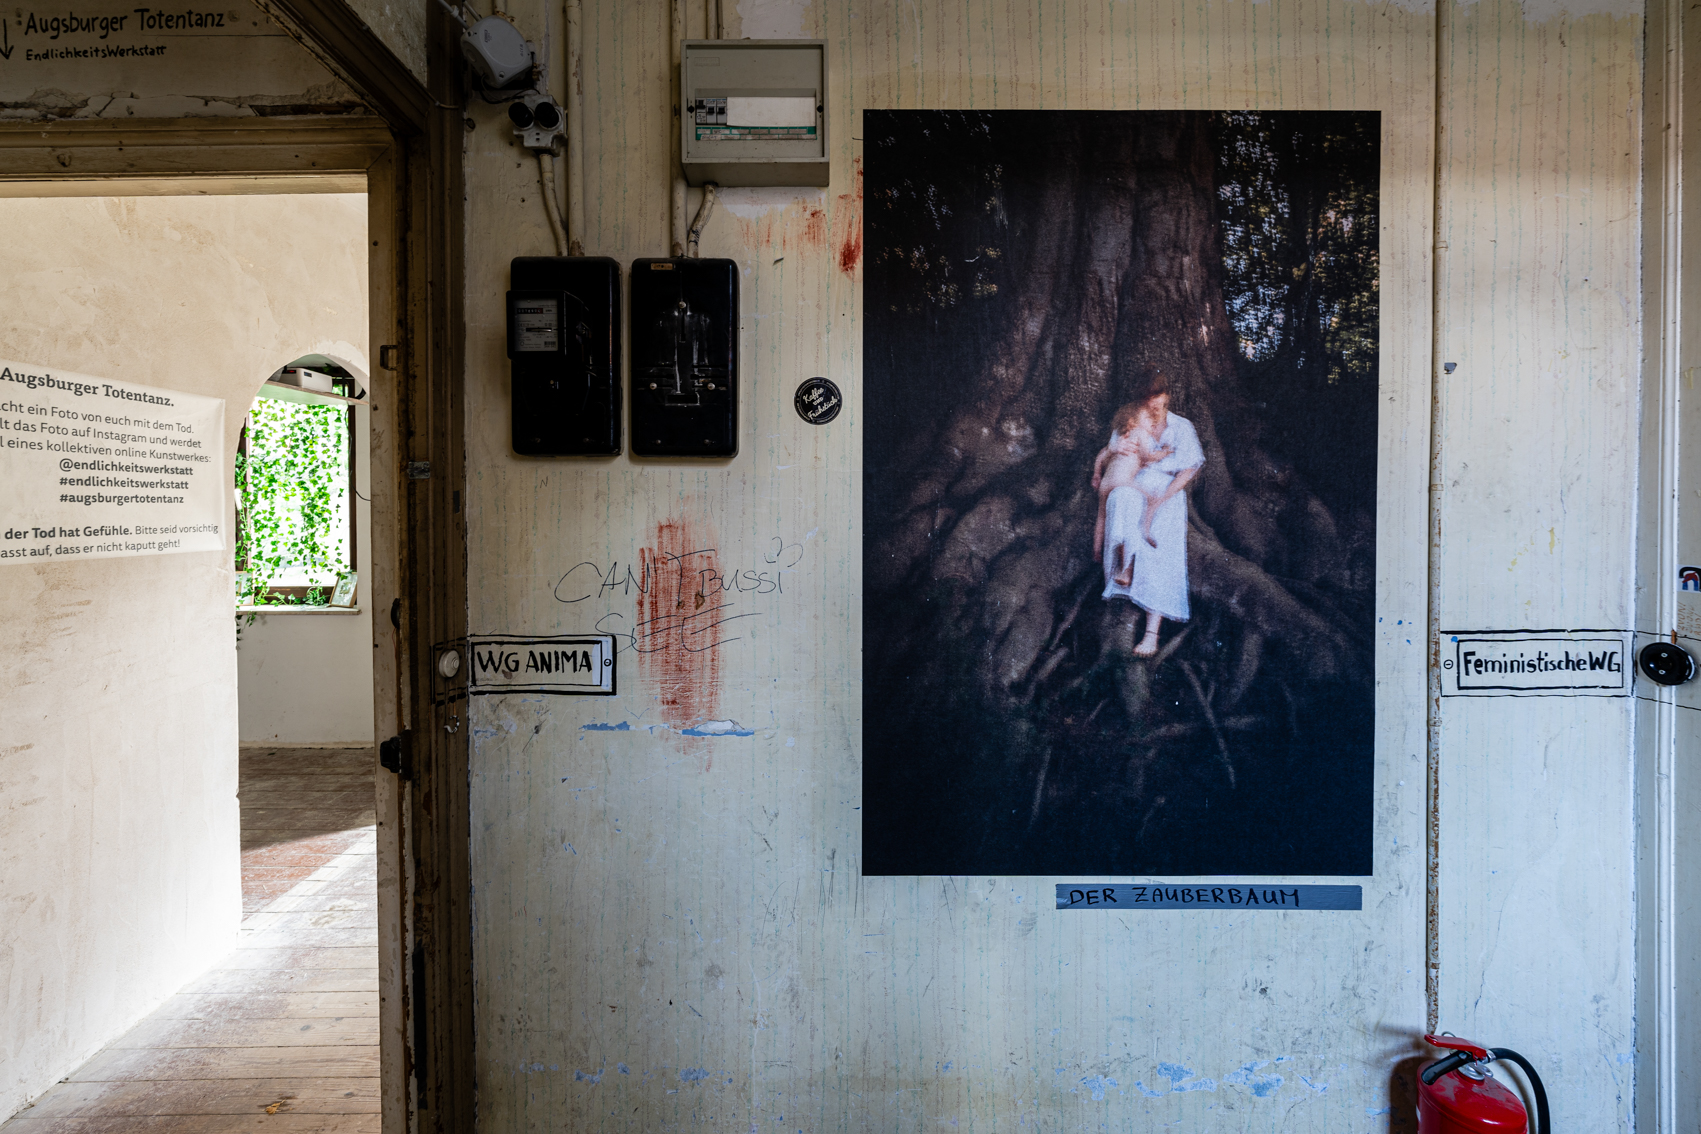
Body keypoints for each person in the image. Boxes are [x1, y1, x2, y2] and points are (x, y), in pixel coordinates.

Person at [1093, 376, 1205, 657]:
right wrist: (1113, 451)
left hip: (1166, 490)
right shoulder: (1133, 420)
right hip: (1134, 482)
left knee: (1162, 543)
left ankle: (1152, 634)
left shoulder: (1181, 427)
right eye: (1147, 398)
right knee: (1119, 499)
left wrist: (1159, 501)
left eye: (1157, 396)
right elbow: (1108, 457)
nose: (1152, 403)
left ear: (1166, 396)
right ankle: (1124, 570)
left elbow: (1188, 470)